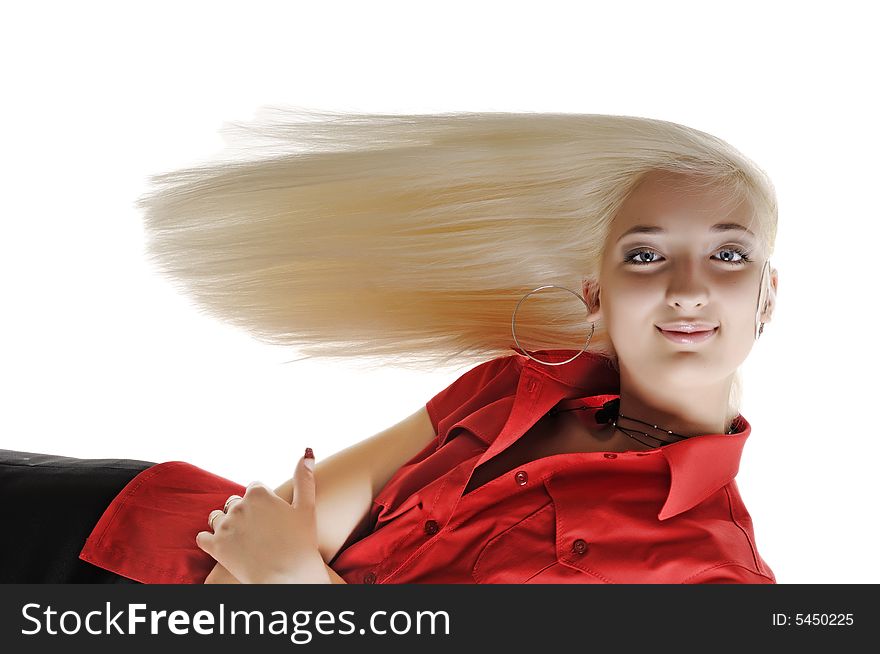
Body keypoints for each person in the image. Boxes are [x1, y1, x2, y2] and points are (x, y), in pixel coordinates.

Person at [0, 110, 779, 584]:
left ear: (767, 297)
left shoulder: (718, 578)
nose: (687, 288)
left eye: (729, 256)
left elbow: (284, 567)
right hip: (120, 532)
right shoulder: (520, 385)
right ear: (596, 294)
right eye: (645, 256)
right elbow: (271, 533)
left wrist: (302, 587)